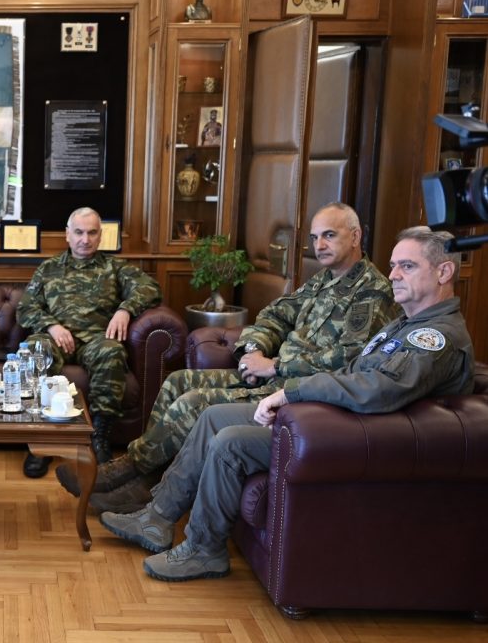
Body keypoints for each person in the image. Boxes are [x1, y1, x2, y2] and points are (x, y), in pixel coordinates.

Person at [100, 226, 474, 582]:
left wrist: (292, 391)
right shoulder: (405, 324)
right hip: (325, 416)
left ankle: (203, 549)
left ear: (443, 272)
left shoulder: (435, 337)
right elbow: (349, 371)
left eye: (407, 266)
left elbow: (375, 389)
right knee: (213, 416)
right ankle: (156, 518)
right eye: (393, 265)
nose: (393, 275)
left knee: (230, 442)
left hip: (345, 435)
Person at [57, 203, 398, 511]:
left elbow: (348, 360)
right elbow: (274, 315)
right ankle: (147, 479)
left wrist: (275, 366)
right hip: (269, 376)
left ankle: (129, 473)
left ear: (356, 236)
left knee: (192, 403)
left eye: (329, 235)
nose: (319, 245)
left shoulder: (372, 291)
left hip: (295, 392)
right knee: (177, 381)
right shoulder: (323, 280)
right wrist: (253, 351)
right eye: (314, 237)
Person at [17, 207, 162, 477]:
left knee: (112, 352)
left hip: (96, 340)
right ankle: (40, 440)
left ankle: (100, 437)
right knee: (35, 349)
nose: (85, 239)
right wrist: (51, 326)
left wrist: (125, 309)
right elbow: (25, 308)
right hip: (56, 339)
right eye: (79, 232)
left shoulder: (114, 268)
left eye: (92, 233)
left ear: (100, 235)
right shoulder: (49, 268)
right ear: (67, 235)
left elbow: (150, 288)